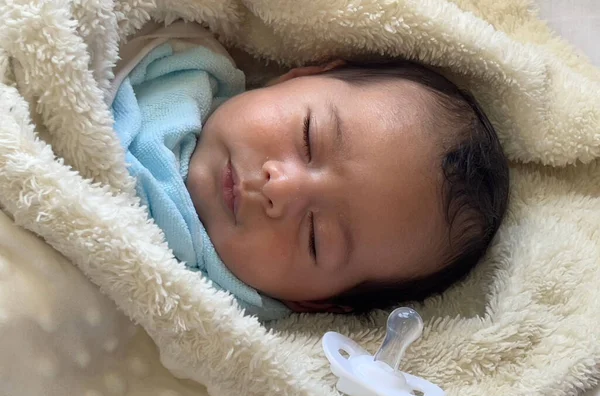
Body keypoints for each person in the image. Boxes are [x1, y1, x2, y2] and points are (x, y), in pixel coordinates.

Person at [110, 21, 509, 319]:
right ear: (301, 76)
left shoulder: (208, 314)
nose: (280, 188)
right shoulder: (178, 56)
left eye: (317, 238)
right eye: (308, 138)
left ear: (311, 301)